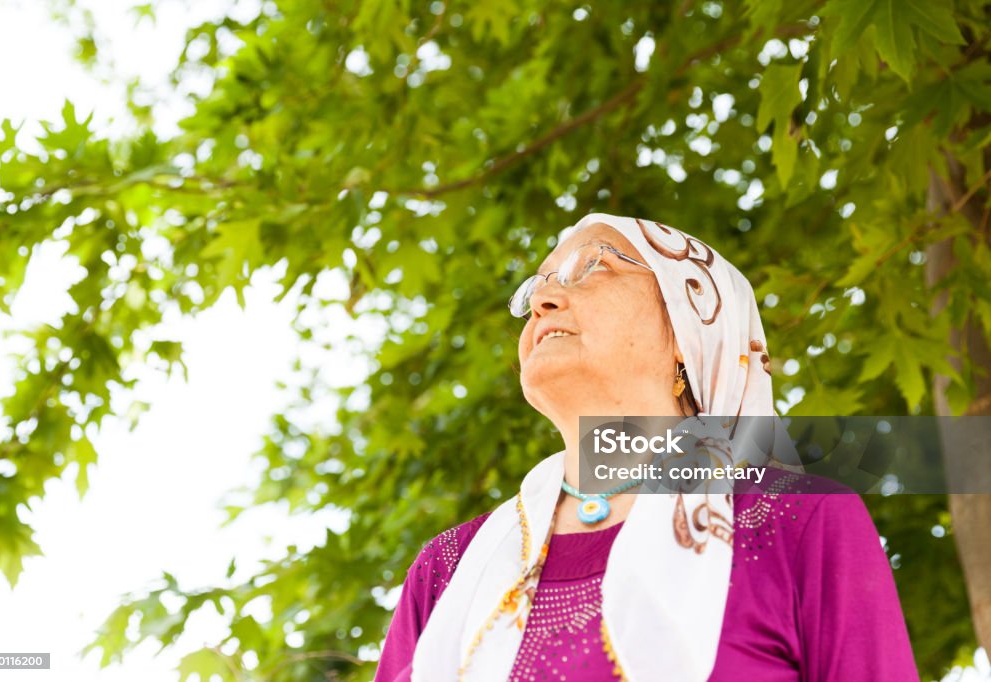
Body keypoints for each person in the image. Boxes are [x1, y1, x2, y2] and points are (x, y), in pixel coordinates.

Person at [375, 213, 919, 681]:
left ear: (688, 331)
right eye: (536, 286)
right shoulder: (446, 568)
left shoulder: (798, 523)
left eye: (594, 267)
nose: (541, 299)